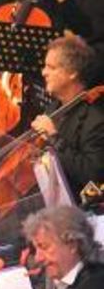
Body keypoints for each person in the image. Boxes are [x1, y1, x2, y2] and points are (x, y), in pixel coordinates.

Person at [31, 35, 104, 195]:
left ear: (72, 73)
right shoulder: (52, 109)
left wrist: (54, 138)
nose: (43, 72)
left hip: (74, 212)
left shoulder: (96, 120)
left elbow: (93, 177)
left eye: (51, 67)